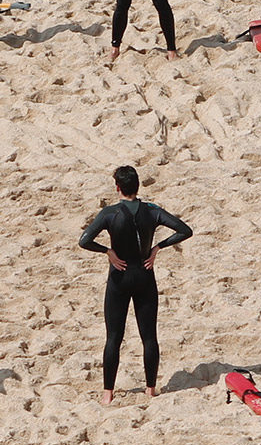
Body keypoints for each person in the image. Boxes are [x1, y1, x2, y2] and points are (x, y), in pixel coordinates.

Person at [78, 167, 193, 404]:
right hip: (145, 276)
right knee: (149, 337)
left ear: (117, 187)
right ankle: (151, 389)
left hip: (119, 277)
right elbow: (184, 230)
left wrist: (107, 251)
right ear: (137, 186)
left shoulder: (110, 213)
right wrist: (157, 247)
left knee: (113, 338)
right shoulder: (151, 211)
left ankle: (107, 393)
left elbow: (84, 241)